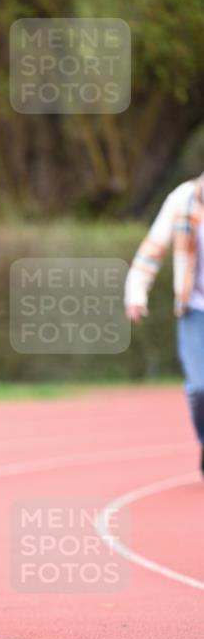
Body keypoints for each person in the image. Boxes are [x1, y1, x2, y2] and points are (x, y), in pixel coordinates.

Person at [125, 173, 204, 473]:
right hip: (195, 310)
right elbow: (152, 249)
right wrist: (135, 292)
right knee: (200, 388)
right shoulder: (182, 200)